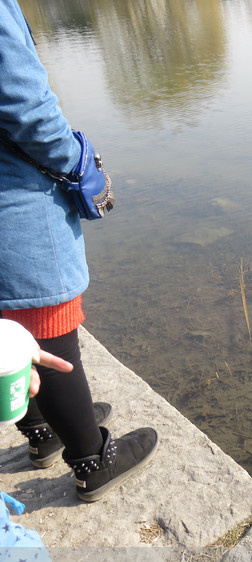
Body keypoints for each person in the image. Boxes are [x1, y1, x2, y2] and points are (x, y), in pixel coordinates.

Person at [0, 0, 158, 502]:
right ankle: (92, 459)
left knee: (8, 325)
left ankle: (44, 431)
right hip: (15, 202)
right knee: (49, 321)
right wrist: (81, 166)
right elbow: (26, 107)